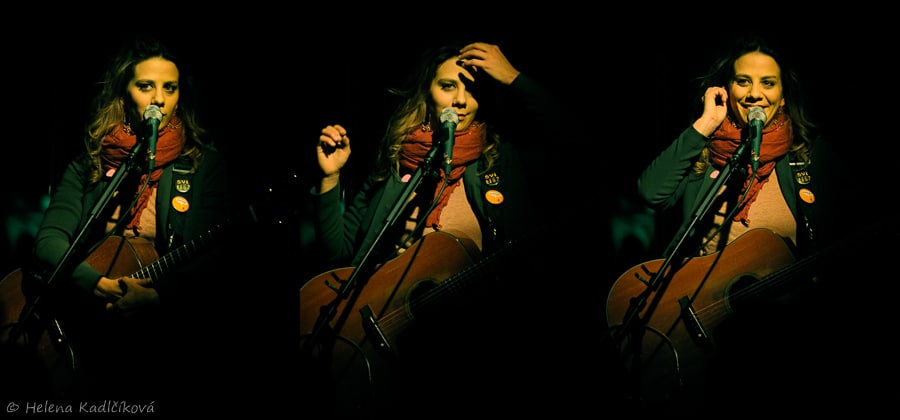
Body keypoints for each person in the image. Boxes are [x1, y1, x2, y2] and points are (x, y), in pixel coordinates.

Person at [611, 33, 895, 412]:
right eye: (743, 81)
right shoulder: (705, 154)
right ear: (726, 89)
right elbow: (649, 193)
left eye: (768, 83)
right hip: (703, 330)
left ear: (783, 94)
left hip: (786, 337)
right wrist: (705, 124)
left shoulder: (812, 158)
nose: (755, 94)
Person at [301, 41, 571, 415]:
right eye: (448, 86)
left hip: (468, 344)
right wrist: (330, 178)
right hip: (382, 333)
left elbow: (575, 145)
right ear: (426, 93)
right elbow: (340, 254)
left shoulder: (500, 159)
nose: (461, 100)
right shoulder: (397, 159)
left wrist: (513, 78)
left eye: (472, 89)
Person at [4, 36, 234, 403]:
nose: (159, 98)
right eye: (146, 86)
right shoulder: (90, 162)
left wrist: (159, 297)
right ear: (123, 95)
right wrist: (94, 283)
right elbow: (49, 241)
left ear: (179, 97)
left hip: (158, 338)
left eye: (169, 88)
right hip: (79, 319)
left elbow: (212, 261)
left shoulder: (204, 165)